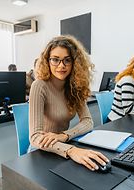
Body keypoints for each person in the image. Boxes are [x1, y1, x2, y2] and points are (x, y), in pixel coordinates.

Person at [29, 35, 109, 171]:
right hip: (42, 150)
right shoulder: (39, 85)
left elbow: (88, 121)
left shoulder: (75, 86)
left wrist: (65, 135)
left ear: (75, 63)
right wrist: (72, 150)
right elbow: (35, 137)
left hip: (63, 144)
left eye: (67, 60)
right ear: (47, 61)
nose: (61, 66)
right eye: (55, 60)